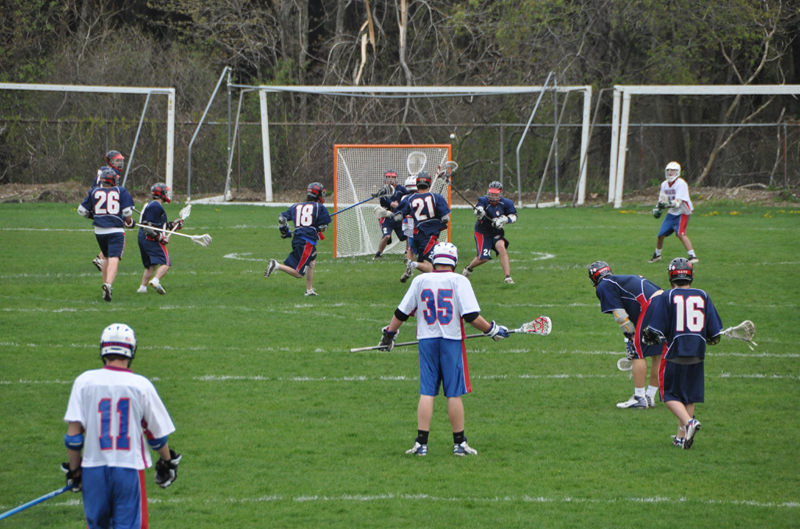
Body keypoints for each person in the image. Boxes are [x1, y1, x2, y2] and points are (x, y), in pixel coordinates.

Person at [379, 242, 510, 457]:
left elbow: (402, 312)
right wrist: (492, 329)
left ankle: (421, 444)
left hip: (427, 340)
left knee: (427, 391)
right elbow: (471, 316)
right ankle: (459, 444)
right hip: (451, 340)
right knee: (454, 393)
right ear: (454, 261)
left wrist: (389, 335)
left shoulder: (420, 280)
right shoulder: (460, 280)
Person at [62, 323, 181, 528]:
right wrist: (167, 461)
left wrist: (75, 471)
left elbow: (73, 438)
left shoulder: (84, 381)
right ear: (131, 351)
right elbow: (157, 437)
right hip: (128, 469)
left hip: (94, 470)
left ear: (103, 349)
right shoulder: (140, 385)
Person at [643, 258, 722, 449]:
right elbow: (714, 334)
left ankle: (689, 423)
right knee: (688, 395)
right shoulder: (703, 295)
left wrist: (648, 337)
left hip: (675, 351)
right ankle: (682, 437)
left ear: (671, 278)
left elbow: (655, 331)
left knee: (669, 395)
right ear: (691, 277)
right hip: (697, 351)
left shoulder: (667, 296)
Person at [588, 261, 664, 409]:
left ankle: (640, 398)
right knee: (658, 354)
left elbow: (621, 316)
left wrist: (630, 337)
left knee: (638, 352)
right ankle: (650, 396)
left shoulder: (604, 285)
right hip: (664, 302)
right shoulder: (621, 280)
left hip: (650, 304)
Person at [264, 182, 332, 296]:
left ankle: (309, 290)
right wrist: (318, 227)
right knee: (299, 273)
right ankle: (276, 265)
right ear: (318, 194)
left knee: (312, 261)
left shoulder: (296, 206)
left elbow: (282, 218)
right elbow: (323, 227)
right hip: (307, 242)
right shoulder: (320, 207)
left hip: (299, 239)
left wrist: (285, 231)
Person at [78, 168, 135, 302]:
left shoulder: (94, 191)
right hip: (115, 230)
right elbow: (127, 211)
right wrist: (130, 222)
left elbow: (81, 210)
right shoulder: (121, 190)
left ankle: (105, 287)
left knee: (106, 257)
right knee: (114, 258)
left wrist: (95, 216)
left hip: (99, 231)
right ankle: (108, 284)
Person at [393, 171, 451, 283]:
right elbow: (445, 218)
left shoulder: (410, 198)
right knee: (430, 267)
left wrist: (392, 214)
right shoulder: (436, 197)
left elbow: (398, 216)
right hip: (429, 235)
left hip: (416, 234)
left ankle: (421, 284)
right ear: (429, 184)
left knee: (424, 264)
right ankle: (412, 263)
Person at [462, 181, 518, 284]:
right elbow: (478, 208)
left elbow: (514, 216)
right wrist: (479, 211)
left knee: (502, 247)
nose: (493, 196)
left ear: (500, 194)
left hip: (496, 231)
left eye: (495, 194)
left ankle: (507, 277)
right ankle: (468, 269)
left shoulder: (506, 203)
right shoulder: (483, 200)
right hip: (482, 232)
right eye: (491, 193)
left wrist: (505, 219)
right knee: (483, 258)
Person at [648, 162, 698, 264]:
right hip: (672, 212)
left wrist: (665, 205)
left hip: (683, 211)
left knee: (680, 233)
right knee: (660, 235)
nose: (670, 172)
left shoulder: (681, 183)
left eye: (673, 170)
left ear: (677, 172)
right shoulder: (664, 184)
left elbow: (678, 203)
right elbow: (662, 200)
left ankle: (693, 256)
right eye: (668, 170)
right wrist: (658, 208)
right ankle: (657, 255)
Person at [137, 183, 182, 295]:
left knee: (151, 265)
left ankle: (142, 288)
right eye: (166, 192)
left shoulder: (151, 204)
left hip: (143, 237)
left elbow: (158, 226)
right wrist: (160, 237)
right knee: (166, 262)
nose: (167, 194)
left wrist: (173, 225)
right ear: (161, 194)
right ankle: (156, 281)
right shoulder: (155, 206)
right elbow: (148, 227)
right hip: (149, 238)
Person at [91, 150, 126, 272]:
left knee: (108, 234)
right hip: (108, 206)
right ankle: (102, 258)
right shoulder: (113, 173)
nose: (119, 163)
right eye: (117, 160)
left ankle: (100, 258)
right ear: (110, 161)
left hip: (98, 204)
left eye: (120, 160)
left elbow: (93, 188)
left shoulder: (102, 171)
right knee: (116, 234)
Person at [373, 170, 408, 259]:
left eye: (393, 177)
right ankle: (378, 254)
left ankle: (408, 252)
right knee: (387, 237)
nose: (391, 179)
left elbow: (409, 194)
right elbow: (393, 204)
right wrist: (403, 206)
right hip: (387, 218)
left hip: (397, 217)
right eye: (389, 177)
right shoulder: (384, 191)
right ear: (386, 178)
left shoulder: (400, 188)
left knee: (408, 234)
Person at [400, 176, 417, 262]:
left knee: (410, 245)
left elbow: (400, 210)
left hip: (407, 223)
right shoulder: (421, 196)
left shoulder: (404, 197)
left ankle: (409, 264)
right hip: (418, 224)